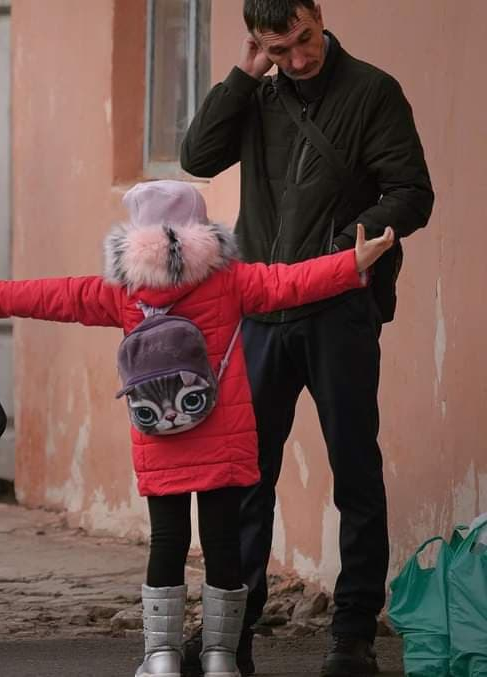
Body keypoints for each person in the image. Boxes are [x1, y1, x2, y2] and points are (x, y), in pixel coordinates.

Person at [0, 180, 395, 677]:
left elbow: (64, 296)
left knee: (167, 541)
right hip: (222, 434)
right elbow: (289, 282)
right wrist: (352, 263)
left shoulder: (123, 291)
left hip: (160, 433)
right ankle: (220, 656)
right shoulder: (229, 280)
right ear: (200, 226)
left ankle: (162, 656)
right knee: (222, 545)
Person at [179, 2, 433, 674]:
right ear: (259, 44)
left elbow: (412, 192)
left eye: (304, 40)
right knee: (244, 475)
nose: (298, 58)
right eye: (278, 48)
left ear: (320, 17)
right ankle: (231, 632)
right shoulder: (258, 96)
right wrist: (241, 75)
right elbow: (197, 156)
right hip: (261, 307)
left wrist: (343, 245)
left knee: (354, 468)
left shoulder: (372, 92)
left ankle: (351, 634)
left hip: (338, 306)